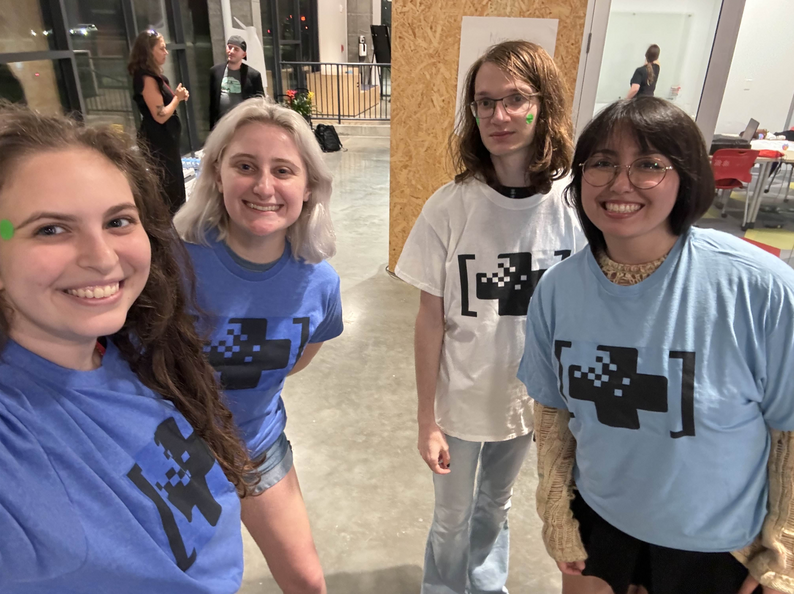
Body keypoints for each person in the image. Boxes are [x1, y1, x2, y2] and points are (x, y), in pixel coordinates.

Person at [519, 96, 794, 594]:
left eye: (648, 164)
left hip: (717, 549)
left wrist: (784, 556)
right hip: (599, 528)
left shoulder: (761, 289)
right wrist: (557, 516)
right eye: (602, 162)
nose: (620, 182)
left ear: (685, 176)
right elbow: (553, 416)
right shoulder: (557, 290)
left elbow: (790, 432)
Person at [0, 106, 252, 593]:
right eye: (50, 229)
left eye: (118, 221)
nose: (100, 257)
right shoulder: (15, 438)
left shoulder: (135, 349)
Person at [395, 40, 586, 594]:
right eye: (483, 102)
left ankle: (485, 585)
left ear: (542, 105)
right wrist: (425, 418)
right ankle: (443, 588)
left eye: (514, 99)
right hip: (460, 405)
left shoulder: (573, 207)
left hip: (527, 406)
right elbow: (430, 319)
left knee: (496, 507)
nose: (498, 115)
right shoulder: (450, 207)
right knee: (451, 519)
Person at [174, 98, 342, 594]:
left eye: (283, 170)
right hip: (171, 453)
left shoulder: (319, 283)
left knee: (308, 582)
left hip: (256, 447)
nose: (264, 186)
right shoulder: (168, 259)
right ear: (217, 173)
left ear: (308, 187)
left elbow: (297, 359)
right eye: (245, 166)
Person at [128, 29, 189, 216]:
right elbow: (160, 115)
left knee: (175, 184)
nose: (166, 52)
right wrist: (177, 99)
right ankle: (169, 228)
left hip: (167, 141)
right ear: (149, 51)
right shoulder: (146, 79)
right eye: (162, 48)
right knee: (168, 187)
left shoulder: (159, 78)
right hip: (158, 141)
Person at [209, 35, 265, 129]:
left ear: (243, 55)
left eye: (236, 49)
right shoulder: (215, 72)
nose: (231, 51)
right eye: (229, 47)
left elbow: (260, 103)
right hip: (222, 123)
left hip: (244, 124)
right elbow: (212, 101)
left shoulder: (253, 75)